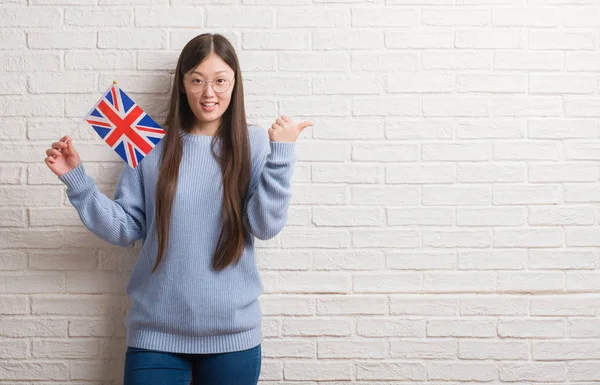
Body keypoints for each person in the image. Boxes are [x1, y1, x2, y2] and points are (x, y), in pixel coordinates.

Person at [43, 33, 312, 385]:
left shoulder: (256, 142)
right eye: (197, 80)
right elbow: (125, 228)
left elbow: (265, 225)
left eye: (220, 81)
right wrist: (77, 181)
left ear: (235, 84)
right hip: (155, 335)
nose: (209, 92)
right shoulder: (150, 143)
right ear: (183, 84)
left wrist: (282, 157)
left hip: (233, 338)